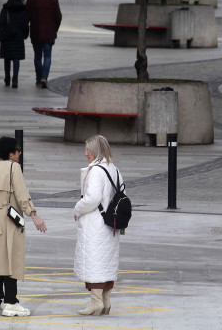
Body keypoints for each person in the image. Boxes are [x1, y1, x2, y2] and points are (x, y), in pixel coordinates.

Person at [0, 136, 47, 317]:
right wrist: (34, 215)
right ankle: (11, 302)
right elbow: (22, 195)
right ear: (10, 153)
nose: (19, 153)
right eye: (17, 150)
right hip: (10, 218)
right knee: (11, 259)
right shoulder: (13, 168)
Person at [73, 135, 123, 316]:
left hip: (95, 224)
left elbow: (92, 199)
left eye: (88, 150)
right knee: (106, 262)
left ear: (96, 151)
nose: (85, 153)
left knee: (94, 261)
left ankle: (95, 303)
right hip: (110, 225)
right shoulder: (114, 169)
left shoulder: (96, 171)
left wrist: (77, 208)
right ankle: (106, 302)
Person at [26, 0, 62, 88]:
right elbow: (58, 17)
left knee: (37, 56)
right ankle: (44, 77)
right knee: (47, 56)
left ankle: (38, 78)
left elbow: (26, 16)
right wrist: (55, 28)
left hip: (36, 32)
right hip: (49, 33)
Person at [0, 0, 30, 88]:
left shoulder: (5, 9)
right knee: (16, 59)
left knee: (7, 59)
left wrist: (2, 30)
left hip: (7, 38)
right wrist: (24, 35)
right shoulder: (23, 10)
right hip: (18, 38)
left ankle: (7, 78)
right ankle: (15, 78)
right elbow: (25, 24)